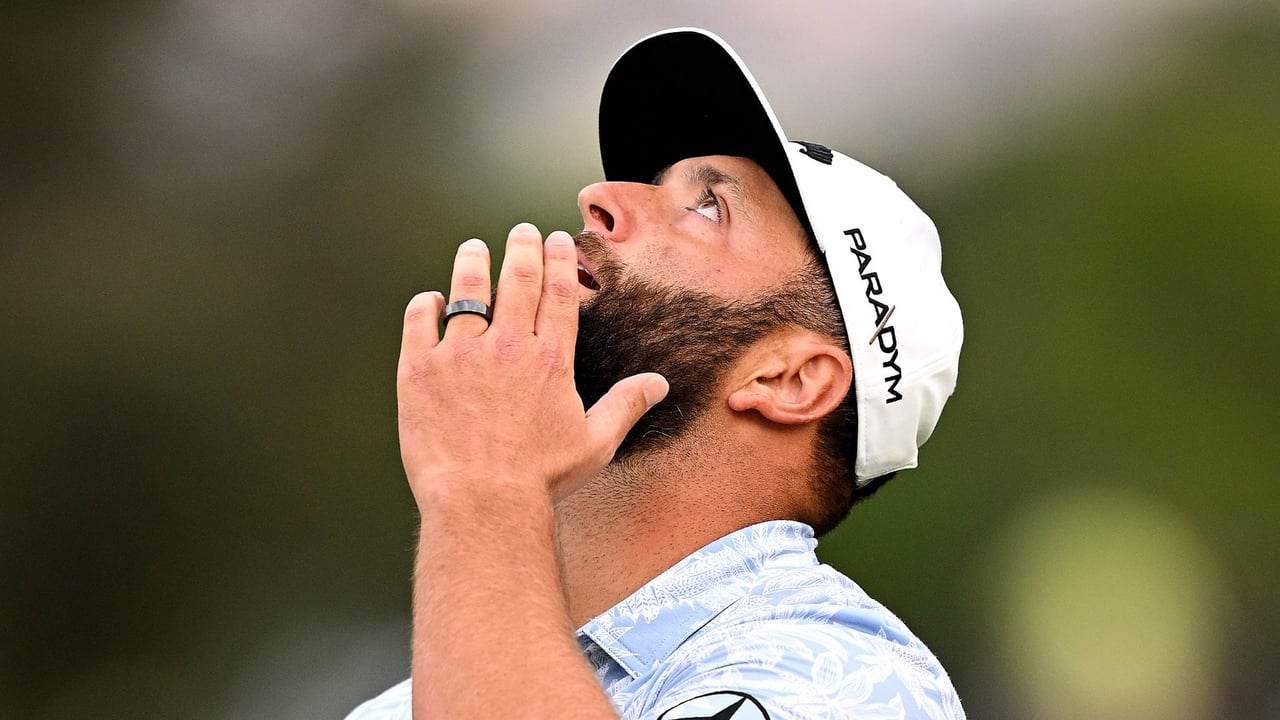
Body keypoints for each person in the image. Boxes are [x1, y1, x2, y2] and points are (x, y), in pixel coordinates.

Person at [346, 27, 965, 720]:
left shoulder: (851, 678)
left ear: (792, 380)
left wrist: (484, 490)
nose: (600, 197)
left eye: (709, 207)